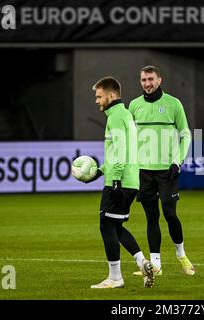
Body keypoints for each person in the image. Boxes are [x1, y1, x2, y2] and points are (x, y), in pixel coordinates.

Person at [86, 76, 155, 289]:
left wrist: (114, 180)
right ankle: (142, 262)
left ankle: (115, 278)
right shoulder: (125, 114)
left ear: (111, 95)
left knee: (106, 225)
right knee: (115, 226)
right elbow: (122, 150)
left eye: (99, 96)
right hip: (131, 180)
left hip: (121, 180)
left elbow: (120, 151)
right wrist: (100, 172)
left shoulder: (115, 117)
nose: (97, 101)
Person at [128, 65, 195, 276]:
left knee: (170, 214)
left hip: (167, 171)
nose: (147, 84)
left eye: (150, 79)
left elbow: (186, 134)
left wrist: (178, 161)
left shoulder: (173, 104)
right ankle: (156, 266)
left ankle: (181, 254)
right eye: (143, 80)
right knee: (151, 216)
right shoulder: (134, 106)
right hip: (143, 172)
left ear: (159, 80)